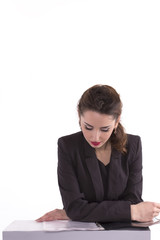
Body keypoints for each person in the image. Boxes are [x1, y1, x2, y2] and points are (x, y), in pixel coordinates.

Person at [36, 84, 160, 223]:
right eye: (88, 127)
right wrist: (130, 211)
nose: (95, 137)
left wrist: (80, 213)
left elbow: (133, 201)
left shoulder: (133, 145)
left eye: (104, 129)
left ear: (117, 121)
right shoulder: (68, 146)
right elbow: (74, 208)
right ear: (79, 115)